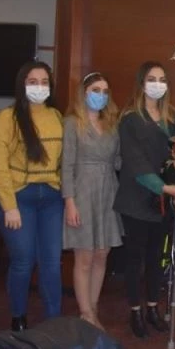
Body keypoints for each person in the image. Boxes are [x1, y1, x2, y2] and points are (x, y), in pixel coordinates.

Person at [0, 61, 64, 331]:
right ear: (22, 85)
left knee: (51, 263)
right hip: (18, 198)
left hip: (52, 198)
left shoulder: (56, 116)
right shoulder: (8, 117)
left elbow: (64, 161)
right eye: (33, 82)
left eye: (44, 82)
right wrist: (9, 205)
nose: (39, 87)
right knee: (23, 260)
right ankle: (18, 317)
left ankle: (53, 320)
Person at [113, 61, 175, 338]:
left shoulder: (172, 118)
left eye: (162, 79)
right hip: (136, 198)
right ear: (141, 83)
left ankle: (153, 308)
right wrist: (165, 188)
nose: (158, 84)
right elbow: (135, 163)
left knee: (156, 257)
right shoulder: (130, 119)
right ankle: (135, 311)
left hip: (162, 201)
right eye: (152, 79)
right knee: (135, 259)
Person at [61, 72, 123, 330]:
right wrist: (69, 202)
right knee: (84, 256)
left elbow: (118, 160)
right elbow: (66, 165)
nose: (101, 95)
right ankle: (85, 313)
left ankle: (93, 307)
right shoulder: (72, 123)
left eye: (105, 91)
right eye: (96, 90)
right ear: (84, 92)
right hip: (82, 192)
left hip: (108, 191)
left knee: (101, 254)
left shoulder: (112, 124)